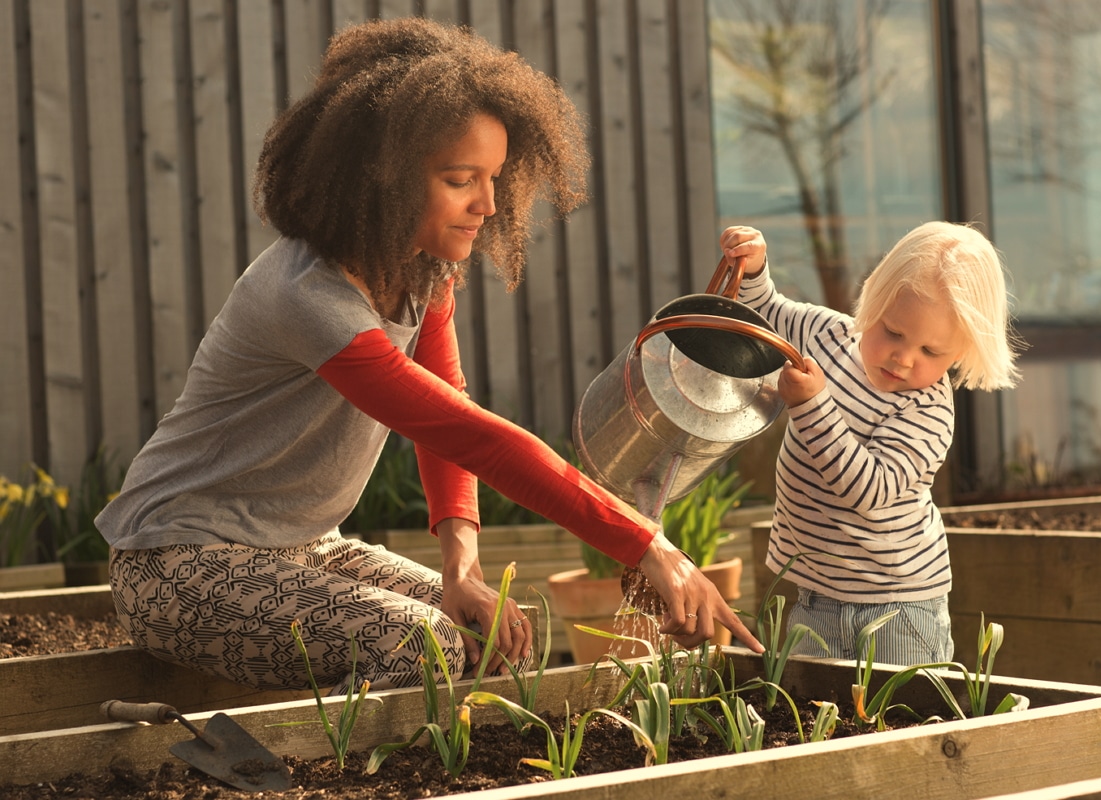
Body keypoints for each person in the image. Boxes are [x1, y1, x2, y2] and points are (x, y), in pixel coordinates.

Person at [97, 16, 761, 695]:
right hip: (176, 565)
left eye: (496, 177)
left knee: (500, 631)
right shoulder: (309, 298)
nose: (488, 204)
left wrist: (461, 568)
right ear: (378, 179)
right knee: (428, 645)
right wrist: (645, 543)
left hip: (302, 551)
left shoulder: (422, 274)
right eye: (459, 179)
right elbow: (472, 437)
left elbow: (449, 411)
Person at [719, 221, 1020, 665]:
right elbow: (766, 314)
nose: (904, 358)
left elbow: (868, 490)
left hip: (899, 608)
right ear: (875, 301)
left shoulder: (927, 410)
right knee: (818, 721)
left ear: (960, 352)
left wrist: (813, 406)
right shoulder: (828, 336)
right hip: (816, 598)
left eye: (931, 352)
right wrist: (755, 266)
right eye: (894, 332)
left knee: (901, 724)